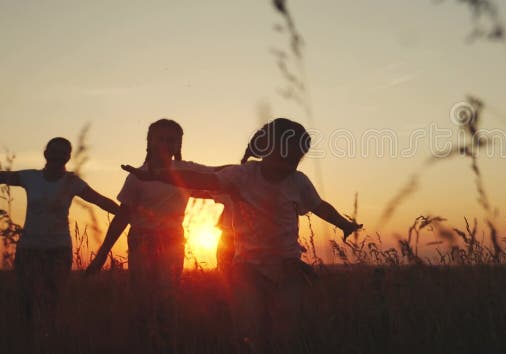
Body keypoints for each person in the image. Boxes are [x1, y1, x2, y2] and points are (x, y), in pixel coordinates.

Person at [121, 118, 362, 353]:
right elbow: (201, 179)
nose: (288, 166)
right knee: (248, 331)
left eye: (295, 160)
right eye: (283, 158)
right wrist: (156, 176)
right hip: (246, 267)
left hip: (287, 266)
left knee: (284, 333)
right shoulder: (243, 175)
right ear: (266, 149)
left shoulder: (298, 182)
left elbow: (319, 206)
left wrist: (343, 223)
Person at [85, 118, 221, 351]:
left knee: (168, 298)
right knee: (143, 299)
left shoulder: (188, 171)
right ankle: (144, 342)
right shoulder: (137, 176)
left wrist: (249, 169)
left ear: (179, 144)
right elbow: (123, 217)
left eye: (172, 139)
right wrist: (102, 254)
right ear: (149, 142)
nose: (166, 143)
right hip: (142, 239)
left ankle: (167, 343)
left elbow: (220, 177)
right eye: (160, 138)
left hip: (173, 240)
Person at [0, 137, 120, 347]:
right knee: (25, 302)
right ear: (45, 153)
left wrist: (128, 214)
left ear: (68, 157)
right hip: (29, 249)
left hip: (58, 251)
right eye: (53, 151)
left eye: (63, 152)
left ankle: (50, 344)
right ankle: (27, 344)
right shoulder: (29, 177)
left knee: (52, 303)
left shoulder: (72, 183)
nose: (58, 155)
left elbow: (100, 201)